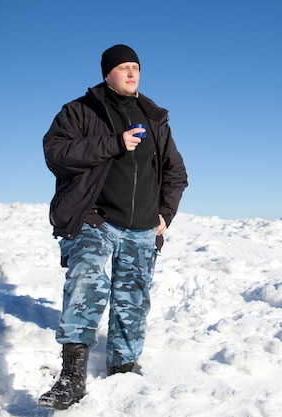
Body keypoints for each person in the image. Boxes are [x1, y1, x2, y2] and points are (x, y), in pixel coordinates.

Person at [39, 44, 188, 410]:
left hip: (142, 227)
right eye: (124, 67)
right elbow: (55, 154)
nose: (132, 73)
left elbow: (176, 174)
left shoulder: (155, 118)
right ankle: (72, 376)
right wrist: (112, 143)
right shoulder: (81, 111)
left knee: (133, 300)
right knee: (86, 281)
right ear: (107, 73)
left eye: (136, 66)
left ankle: (123, 367)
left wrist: (164, 215)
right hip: (97, 218)